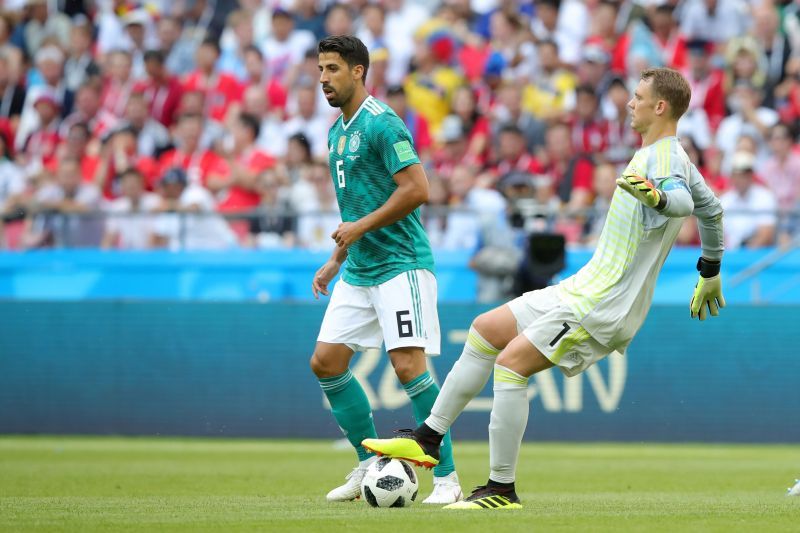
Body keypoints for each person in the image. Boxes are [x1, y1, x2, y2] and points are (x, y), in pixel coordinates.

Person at [362, 68, 726, 509]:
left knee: (511, 365)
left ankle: (500, 489)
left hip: (601, 304)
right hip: (582, 287)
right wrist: (709, 269)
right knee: (485, 329)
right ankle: (428, 438)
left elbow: (685, 203)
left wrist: (661, 198)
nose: (630, 103)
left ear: (660, 107)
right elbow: (712, 210)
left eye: (637, 96)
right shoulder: (666, 155)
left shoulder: (665, 159)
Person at [310, 35, 462, 505]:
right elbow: (355, 205)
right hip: (359, 267)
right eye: (320, 69)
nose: (323, 78)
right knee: (326, 361)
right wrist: (337, 257)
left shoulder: (383, 123)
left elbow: (418, 189)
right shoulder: (338, 131)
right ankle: (365, 463)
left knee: (407, 365)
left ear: (358, 71)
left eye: (332, 69)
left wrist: (358, 231)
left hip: (401, 264)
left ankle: (448, 481)